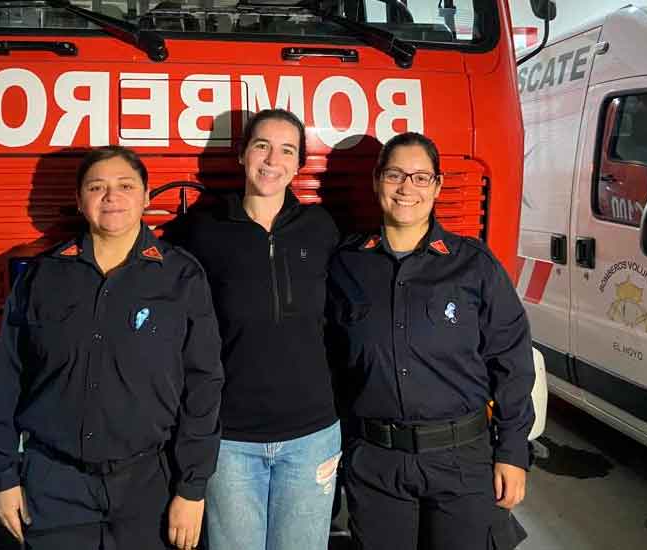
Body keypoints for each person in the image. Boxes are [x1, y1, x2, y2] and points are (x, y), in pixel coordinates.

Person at [0, 145, 224, 550]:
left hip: (150, 486)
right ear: (79, 200)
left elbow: (203, 385)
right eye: (97, 187)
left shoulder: (181, 278)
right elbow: (7, 378)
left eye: (126, 185)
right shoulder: (42, 278)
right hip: (54, 488)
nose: (112, 197)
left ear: (146, 197)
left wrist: (192, 488)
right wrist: (3, 476)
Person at [326, 132, 534, 550]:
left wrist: (512, 452)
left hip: (461, 460)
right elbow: (329, 361)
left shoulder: (472, 264)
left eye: (421, 177)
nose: (407, 188)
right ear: (376, 180)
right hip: (376, 462)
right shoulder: (345, 263)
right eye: (395, 175)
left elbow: (511, 359)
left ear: (438, 186)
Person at [162, 109, 340, 550]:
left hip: (312, 439)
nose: (272, 159)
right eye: (261, 146)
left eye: (287, 150)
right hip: (230, 442)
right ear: (242, 155)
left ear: (299, 164)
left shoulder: (322, 230)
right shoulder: (200, 232)